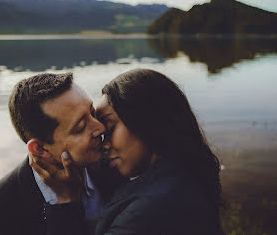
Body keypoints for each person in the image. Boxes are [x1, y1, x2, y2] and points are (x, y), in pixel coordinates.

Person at [32, 68, 223, 235]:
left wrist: (66, 202)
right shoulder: (183, 174)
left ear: (146, 121)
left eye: (110, 127)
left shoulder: (148, 212)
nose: (103, 144)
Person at [0, 73, 124, 235]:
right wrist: (67, 204)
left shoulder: (119, 162)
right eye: (80, 127)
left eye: (92, 112)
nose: (101, 128)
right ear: (40, 149)